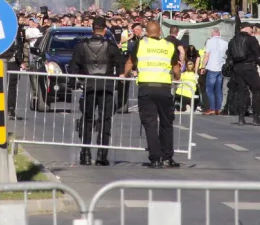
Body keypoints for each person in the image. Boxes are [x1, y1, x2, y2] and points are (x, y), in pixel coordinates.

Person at [122, 21, 180, 169]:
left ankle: (155, 159)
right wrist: (178, 79)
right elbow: (176, 67)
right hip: (164, 88)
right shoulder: (169, 45)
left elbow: (130, 62)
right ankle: (167, 158)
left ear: (146, 32)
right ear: (160, 32)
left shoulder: (141, 44)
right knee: (166, 124)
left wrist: (124, 74)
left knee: (150, 124)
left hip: (146, 88)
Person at [68, 17, 122, 166]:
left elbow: (74, 66)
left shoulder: (81, 46)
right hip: (107, 87)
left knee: (87, 119)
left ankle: (85, 155)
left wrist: (74, 82)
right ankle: (101, 156)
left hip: (89, 87)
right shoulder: (111, 46)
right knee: (105, 120)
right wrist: (118, 79)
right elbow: (121, 65)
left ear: (92, 29)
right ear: (105, 29)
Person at [228, 17, 260, 126]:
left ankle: (241, 118)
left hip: (237, 69)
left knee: (241, 92)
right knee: (256, 90)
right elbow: (258, 54)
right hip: (249, 68)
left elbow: (229, 56)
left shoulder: (233, 40)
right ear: (245, 28)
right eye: (250, 28)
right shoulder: (251, 39)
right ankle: (256, 117)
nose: (252, 30)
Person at [199, 28, 229, 115]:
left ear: (213, 33)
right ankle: (218, 109)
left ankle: (211, 108)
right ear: (219, 33)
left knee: (210, 89)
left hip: (212, 67)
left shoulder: (210, 42)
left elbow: (207, 55)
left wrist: (203, 67)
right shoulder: (225, 43)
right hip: (221, 68)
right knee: (218, 89)